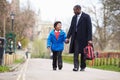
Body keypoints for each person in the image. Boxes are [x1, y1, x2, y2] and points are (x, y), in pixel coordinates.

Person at [65, 5, 92, 71]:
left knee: (83, 53)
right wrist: (68, 37)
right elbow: (71, 28)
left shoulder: (86, 17)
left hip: (84, 38)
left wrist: (89, 39)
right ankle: (76, 67)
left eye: (74, 10)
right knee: (76, 52)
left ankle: (82, 67)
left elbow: (89, 28)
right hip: (76, 37)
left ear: (78, 9)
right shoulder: (74, 17)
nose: (74, 12)